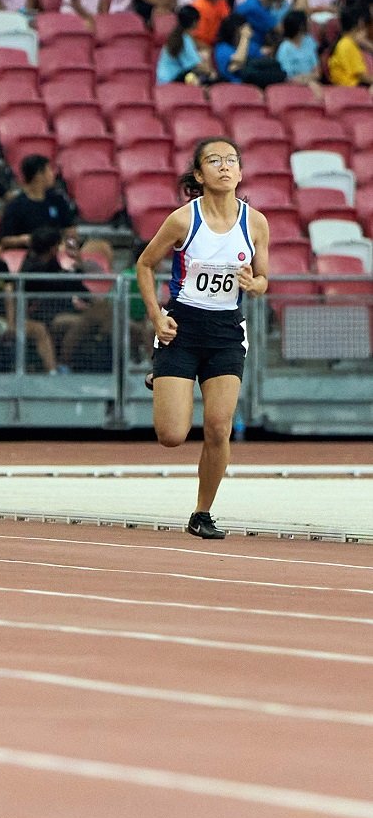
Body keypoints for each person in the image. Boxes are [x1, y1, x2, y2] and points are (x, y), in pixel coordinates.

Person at [134, 137, 266, 541]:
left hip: (226, 331)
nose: (224, 167)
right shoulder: (182, 220)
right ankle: (163, 371)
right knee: (172, 436)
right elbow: (144, 264)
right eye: (214, 160)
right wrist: (156, 316)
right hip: (183, 328)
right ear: (199, 174)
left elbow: (263, 279)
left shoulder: (255, 222)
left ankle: (202, 512)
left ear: (240, 172)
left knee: (217, 427)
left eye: (231, 160)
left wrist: (254, 284)